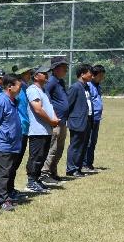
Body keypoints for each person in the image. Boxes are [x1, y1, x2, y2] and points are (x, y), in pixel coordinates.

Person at [0, 74, 23, 211]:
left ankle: (4, 197)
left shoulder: (13, 101)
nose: (20, 89)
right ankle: (2, 200)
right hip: (2, 144)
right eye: (19, 86)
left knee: (8, 173)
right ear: (10, 87)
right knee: (1, 174)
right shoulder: (1, 102)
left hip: (12, 144)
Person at [25, 63, 58, 194]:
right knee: (36, 156)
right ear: (36, 76)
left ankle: (37, 178)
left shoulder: (43, 90)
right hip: (37, 130)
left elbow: (48, 107)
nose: (47, 75)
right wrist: (51, 120)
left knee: (42, 156)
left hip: (46, 129)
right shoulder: (32, 89)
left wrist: (54, 119)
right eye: (44, 73)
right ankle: (31, 181)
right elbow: (38, 109)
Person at [41, 56, 69, 185]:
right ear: (56, 69)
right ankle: (44, 173)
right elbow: (47, 100)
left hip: (63, 120)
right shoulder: (51, 81)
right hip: (55, 121)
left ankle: (53, 171)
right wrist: (52, 116)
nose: (66, 70)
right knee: (52, 148)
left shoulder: (60, 82)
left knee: (59, 148)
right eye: (64, 67)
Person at [65, 63, 94, 178]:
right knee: (75, 145)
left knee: (84, 145)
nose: (92, 76)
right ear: (82, 74)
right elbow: (68, 104)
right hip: (77, 121)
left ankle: (78, 167)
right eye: (90, 74)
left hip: (87, 120)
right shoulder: (75, 87)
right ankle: (71, 169)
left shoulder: (86, 86)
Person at [11, 65, 34, 198]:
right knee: (13, 162)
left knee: (17, 161)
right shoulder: (17, 88)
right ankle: (8, 190)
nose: (30, 74)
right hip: (18, 128)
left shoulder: (25, 87)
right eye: (27, 72)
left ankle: (11, 188)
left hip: (25, 127)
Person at [84, 64, 105, 171]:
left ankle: (89, 164)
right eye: (100, 76)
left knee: (93, 141)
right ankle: (84, 164)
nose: (102, 78)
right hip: (90, 118)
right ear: (93, 75)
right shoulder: (88, 86)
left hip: (97, 118)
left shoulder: (98, 86)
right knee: (87, 141)